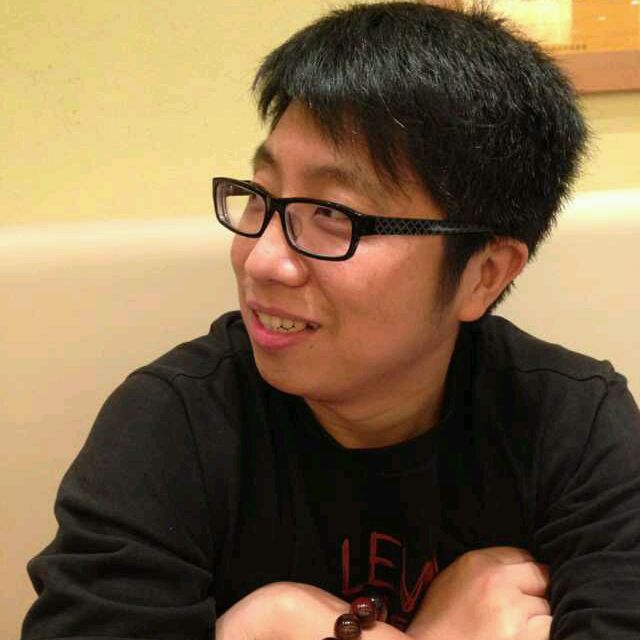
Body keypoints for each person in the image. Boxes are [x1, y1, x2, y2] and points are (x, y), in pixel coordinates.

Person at [21, 2, 640, 640]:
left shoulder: (571, 426)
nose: (260, 259)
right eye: (261, 195)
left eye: (333, 214)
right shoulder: (174, 424)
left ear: (484, 274)